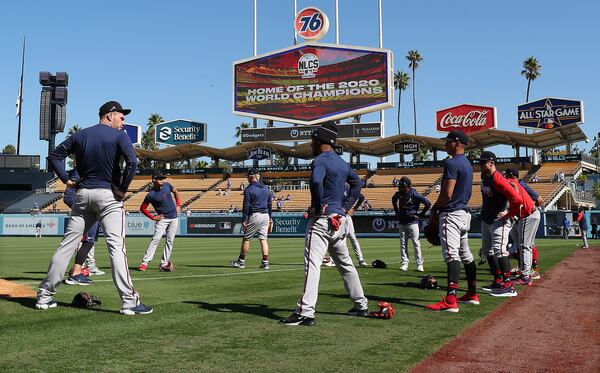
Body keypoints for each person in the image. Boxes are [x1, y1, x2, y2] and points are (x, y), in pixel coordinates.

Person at [36, 101, 152, 315]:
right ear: (109, 115)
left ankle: (44, 296)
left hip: (83, 195)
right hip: (108, 195)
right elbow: (132, 163)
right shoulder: (119, 136)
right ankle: (129, 302)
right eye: (121, 117)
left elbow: (55, 156)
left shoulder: (80, 135)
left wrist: (66, 180)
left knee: (67, 245)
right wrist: (123, 190)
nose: (123, 121)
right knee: (116, 247)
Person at [279, 122, 368, 326]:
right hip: (340, 221)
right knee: (346, 265)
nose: (311, 144)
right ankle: (361, 305)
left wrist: (317, 207)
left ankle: (305, 312)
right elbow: (357, 184)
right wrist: (345, 208)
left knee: (312, 265)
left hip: (322, 220)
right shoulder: (341, 163)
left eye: (312, 141)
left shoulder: (319, 160)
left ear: (319, 141)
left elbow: (317, 182)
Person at [425, 130, 477, 313]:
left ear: (456, 143)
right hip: (464, 213)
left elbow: (447, 193)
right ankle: (472, 293)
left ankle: (451, 300)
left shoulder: (452, 162)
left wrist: (434, 208)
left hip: (451, 214)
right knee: (466, 255)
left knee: (451, 256)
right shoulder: (468, 164)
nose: (445, 145)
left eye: (447, 142)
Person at [476, 153, 523, 298]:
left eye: (482, 163)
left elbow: (517, 198)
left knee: (500, 251)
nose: (480, 165)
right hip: (487, 219)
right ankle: (498, 280)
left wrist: (508, 213)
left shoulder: (498, 179)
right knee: (487, 251)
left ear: (491, 163)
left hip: (499, 220)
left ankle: (508, 286)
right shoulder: (484, 177)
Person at [62, 165, 106, 287]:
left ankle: (84, 268)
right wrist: (82, 210)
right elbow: (68, 197)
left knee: (89, 242)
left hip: (93, 210)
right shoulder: (79, 171)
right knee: (81, 243)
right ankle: (74, 273)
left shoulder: (93, 170)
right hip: (85, 212)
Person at [505, 168, 543, 280]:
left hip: (528, 214)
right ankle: (526, 271)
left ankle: (527, 274)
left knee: (525, 246)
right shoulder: (517, 183)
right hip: (528, 214)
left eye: (506, 175)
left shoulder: (516, 183)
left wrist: (527, 205)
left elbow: (539, 199)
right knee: (525, 245)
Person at [138, 173, 181, 272]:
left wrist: (178, 205)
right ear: (153, 180)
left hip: (174, 218)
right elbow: (142, 208)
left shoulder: (167, 185)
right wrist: (153, 217)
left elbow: (176, 191)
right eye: (160, 178)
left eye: (162, 178)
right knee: (155, 239)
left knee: (169, 241)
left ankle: (164, 263)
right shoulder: (151, 195)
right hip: (162, 219)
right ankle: (145, 262)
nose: (162, 180)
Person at [231, 169, 272, 269]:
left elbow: (246, 206)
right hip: (266, 215)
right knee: (263, 239)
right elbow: (270, 205)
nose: (247, 178)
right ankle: (265, 262)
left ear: (252, 176)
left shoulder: (249, 189)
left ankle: (241, 261)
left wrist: (244, 219)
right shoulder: (266, 188)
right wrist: (270, 218)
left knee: (246, 239)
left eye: (248, 176)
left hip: (255, 215)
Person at [392, 176, 431, 272]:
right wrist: (397, 212)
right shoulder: (399, 193)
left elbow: (428, 203)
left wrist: (421, 214)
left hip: (412, 222)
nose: (399, 187)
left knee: (416, 243)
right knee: (403, 243)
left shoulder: (414, 194)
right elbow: (393, 200)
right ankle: (405, 262)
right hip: (402, 222)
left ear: (407, 186)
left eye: (401, 185)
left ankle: (419, 264)